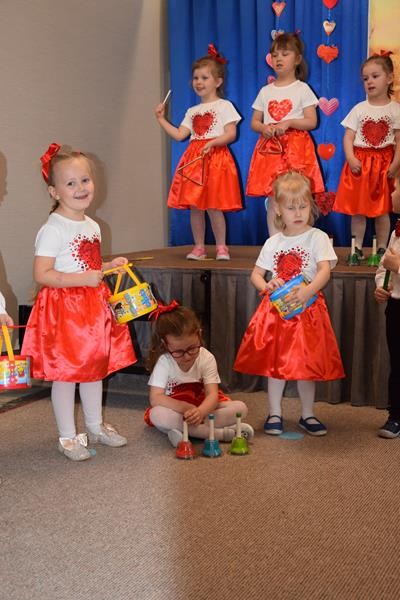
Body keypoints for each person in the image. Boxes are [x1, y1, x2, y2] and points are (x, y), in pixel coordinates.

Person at [21, 143, 136, 461]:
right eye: (70, 183)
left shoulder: (92, 225)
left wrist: (108, 267)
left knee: (94, 369)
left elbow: (86, 265)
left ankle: (95, 426)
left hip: (92, 307)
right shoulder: (53, 228)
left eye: (85, 180)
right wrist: (83, 279)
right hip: (66, 310)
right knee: (66, 374)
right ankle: (68, 437)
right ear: (54, 192)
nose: (81, 188)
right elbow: (42, 274)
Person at [234, 171, 344, 436]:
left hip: (307, 311)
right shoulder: (273, 242)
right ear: (278, 210)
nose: (298, 213)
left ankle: (307, 414)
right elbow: (256, 275)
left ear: (311, 206)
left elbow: (324, 271)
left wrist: (308, 292)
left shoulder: (317, 237)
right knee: (275, 364)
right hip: (277, 313)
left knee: (306, 365)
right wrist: (267, 285)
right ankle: (275, 413)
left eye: (303, 207)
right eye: (291, 208)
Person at [155, 43, 242, 261]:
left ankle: (221, 247)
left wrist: (214, 143)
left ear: (218, 82)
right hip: (195, 161)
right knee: (195, 206)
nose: (199, 82)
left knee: (214, 206)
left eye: (204, 77)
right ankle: (199, 247)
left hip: (215, 159)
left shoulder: (224, 106)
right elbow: (179, 135)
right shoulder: (192, 111)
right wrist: (161, 119)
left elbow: (231, 133)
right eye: (196, 78)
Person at [246, 32, 324, 237]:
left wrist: (289, 123)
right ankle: (275, 243)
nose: (278, 58)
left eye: (285, 54)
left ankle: (302, 241)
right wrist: (264, 128)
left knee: (300, 195)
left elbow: (312, 121)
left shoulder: (302, 89)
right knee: (274, 196)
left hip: (297, 150)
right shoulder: (265, 91)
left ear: (297, 59)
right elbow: (254, 122)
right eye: (274, 55)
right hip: (271, 150)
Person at [144, 302, 254, 447]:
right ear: (165, 344)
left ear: (199, 334)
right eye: (178, 352)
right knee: (157, 414)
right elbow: (156, 398)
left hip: (203, 407)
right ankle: (220, 434)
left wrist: (201, 412)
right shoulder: (164, 362)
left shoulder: (206, 358)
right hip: (177, 410)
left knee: (240, 408)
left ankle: (185, 432)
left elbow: (212, 395)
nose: (187, 356)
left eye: (192, 348)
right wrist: (185, 408)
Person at [334, 53, 400, 259]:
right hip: (361, 165)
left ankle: (381, 248)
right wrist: (351, 158)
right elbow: (348, 137)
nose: (369, 81)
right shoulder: (359, 109)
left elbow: (399, 141)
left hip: (384, 166)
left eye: (375, 76)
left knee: (382, 210)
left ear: (389, 78)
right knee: (358, 210)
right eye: (365, 78)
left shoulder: (395, 109)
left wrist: (395, 164)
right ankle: (357, 248)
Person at [374, 175, 400, 438]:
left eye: (396, 188)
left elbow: (394, 263)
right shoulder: (396, 230)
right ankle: (396, 416)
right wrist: (382, 284)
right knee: (397, 363)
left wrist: (399, 266)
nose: (391, 193)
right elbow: (385, 266)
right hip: (396, 306)